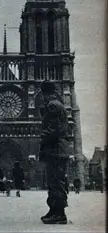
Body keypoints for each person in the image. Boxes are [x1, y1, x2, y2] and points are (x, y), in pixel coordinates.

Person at [39, 80, 70, 224]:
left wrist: (42, 137)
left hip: (55, 148)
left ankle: (60, 214)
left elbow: (53, 130)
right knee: (53, 181)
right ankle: (54, 210)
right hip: (57, 148)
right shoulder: (57, 104)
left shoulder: (52, 105)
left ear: (45, 93)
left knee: (56, 181)